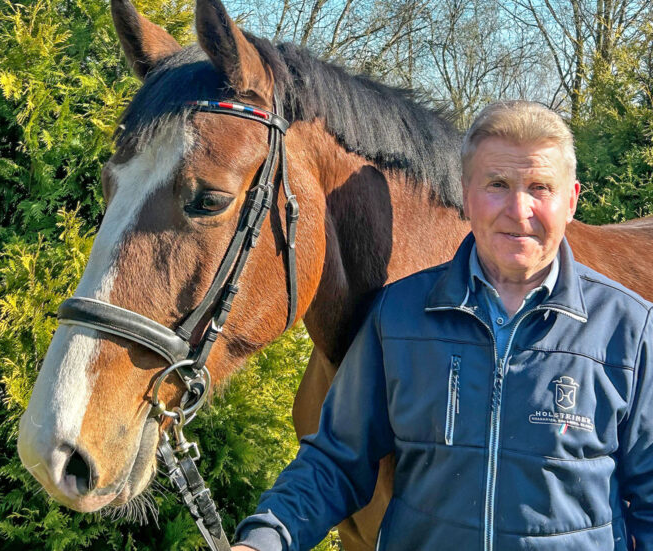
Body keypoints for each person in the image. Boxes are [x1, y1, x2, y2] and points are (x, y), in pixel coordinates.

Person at [231, 101, 653, 551]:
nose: (519, 209)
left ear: (570, 200)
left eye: (540, 187)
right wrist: (261, 540)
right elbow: (335, 463)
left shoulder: (629, 327)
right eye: (497, 184)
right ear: (467, 195)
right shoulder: (398, 316)